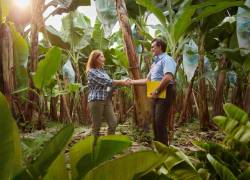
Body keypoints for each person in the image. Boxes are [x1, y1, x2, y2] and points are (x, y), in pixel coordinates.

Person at [130, 38, 176, 145]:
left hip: (165, 91)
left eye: (153, 47)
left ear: (160, 47)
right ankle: (158, 147)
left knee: (160, 122)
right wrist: (132, 82)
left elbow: (168, 77)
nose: (151, 49)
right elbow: (148, 80)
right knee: (155, 122)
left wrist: (156, 91)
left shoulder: (167, 59)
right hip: (157, 93)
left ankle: (164, 150)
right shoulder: (155, 63)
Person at [86, 50, 129, 137]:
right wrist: (121, 82)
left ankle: (108, 145)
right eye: (101, 57)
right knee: (96, 126)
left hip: (106, 100)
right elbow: (105, 82)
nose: (104, 59)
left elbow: (108, 86)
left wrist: (113, 89)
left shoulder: (103, 71)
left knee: (113, 123)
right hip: (96, 100)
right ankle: (93, 148)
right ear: (95, 59)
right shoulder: (91, 72)